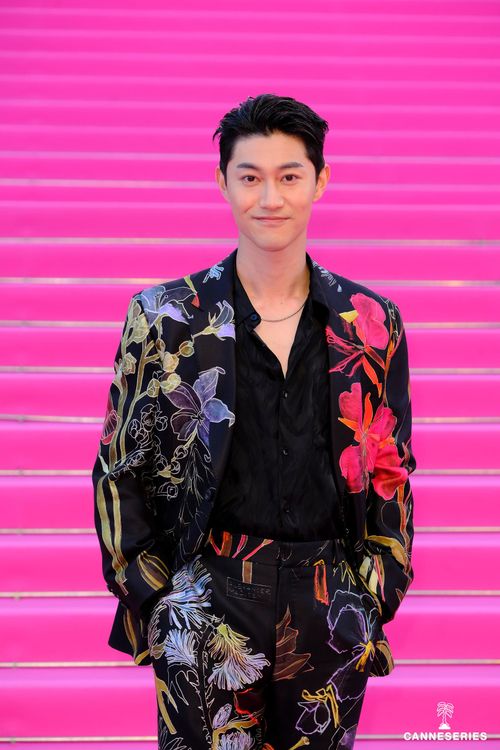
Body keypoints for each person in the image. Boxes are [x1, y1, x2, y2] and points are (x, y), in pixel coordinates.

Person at [92, 93, 416, 749]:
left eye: (289, 176)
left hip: (330, 599)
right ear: (223, 182)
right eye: (250, 177)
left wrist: (373, 591)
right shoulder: (164, 317)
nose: (270, 198)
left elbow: (390, 468)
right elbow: (118, 465)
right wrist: (159, 600)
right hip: (206, 594)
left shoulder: (370, 322)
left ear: (320, 181)